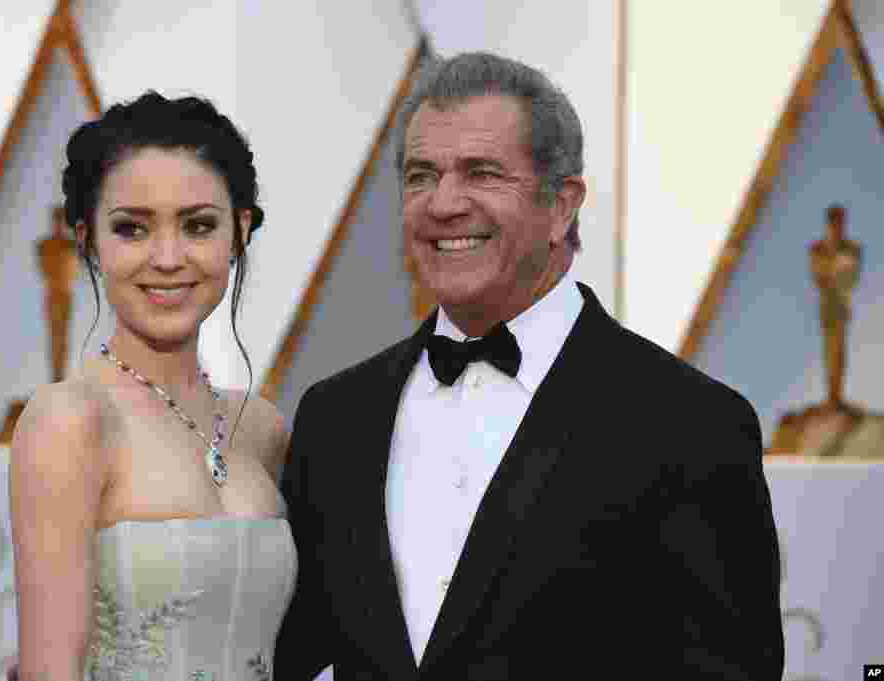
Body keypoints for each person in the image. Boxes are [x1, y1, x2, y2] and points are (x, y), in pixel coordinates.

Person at [275, 52, 784, 680]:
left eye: (482, 174)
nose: (443, 203)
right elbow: (298, 657)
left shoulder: (691, 425)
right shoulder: (334, 418)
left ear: (562, 206)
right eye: (420, 175)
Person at [9, 92, 294, 681]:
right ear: (88, 239)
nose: (168, 258)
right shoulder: (70, 420)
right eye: (133, 229)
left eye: (198, 225)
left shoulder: (260, 428)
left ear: (239, 231)